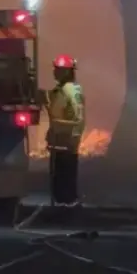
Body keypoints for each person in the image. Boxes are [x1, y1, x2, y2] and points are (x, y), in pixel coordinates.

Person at [45, 54, 85, 206]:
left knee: (64, 174)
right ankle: (64, 204)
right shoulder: (64, 89)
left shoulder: (69, 90)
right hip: (62, 138)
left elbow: (77, 116)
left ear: (68, 72)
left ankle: (67, 206)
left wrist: (65, 132)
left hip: (65, 138)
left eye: (59, 69)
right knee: (61, 174)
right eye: (56, 69)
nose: (55, 72)